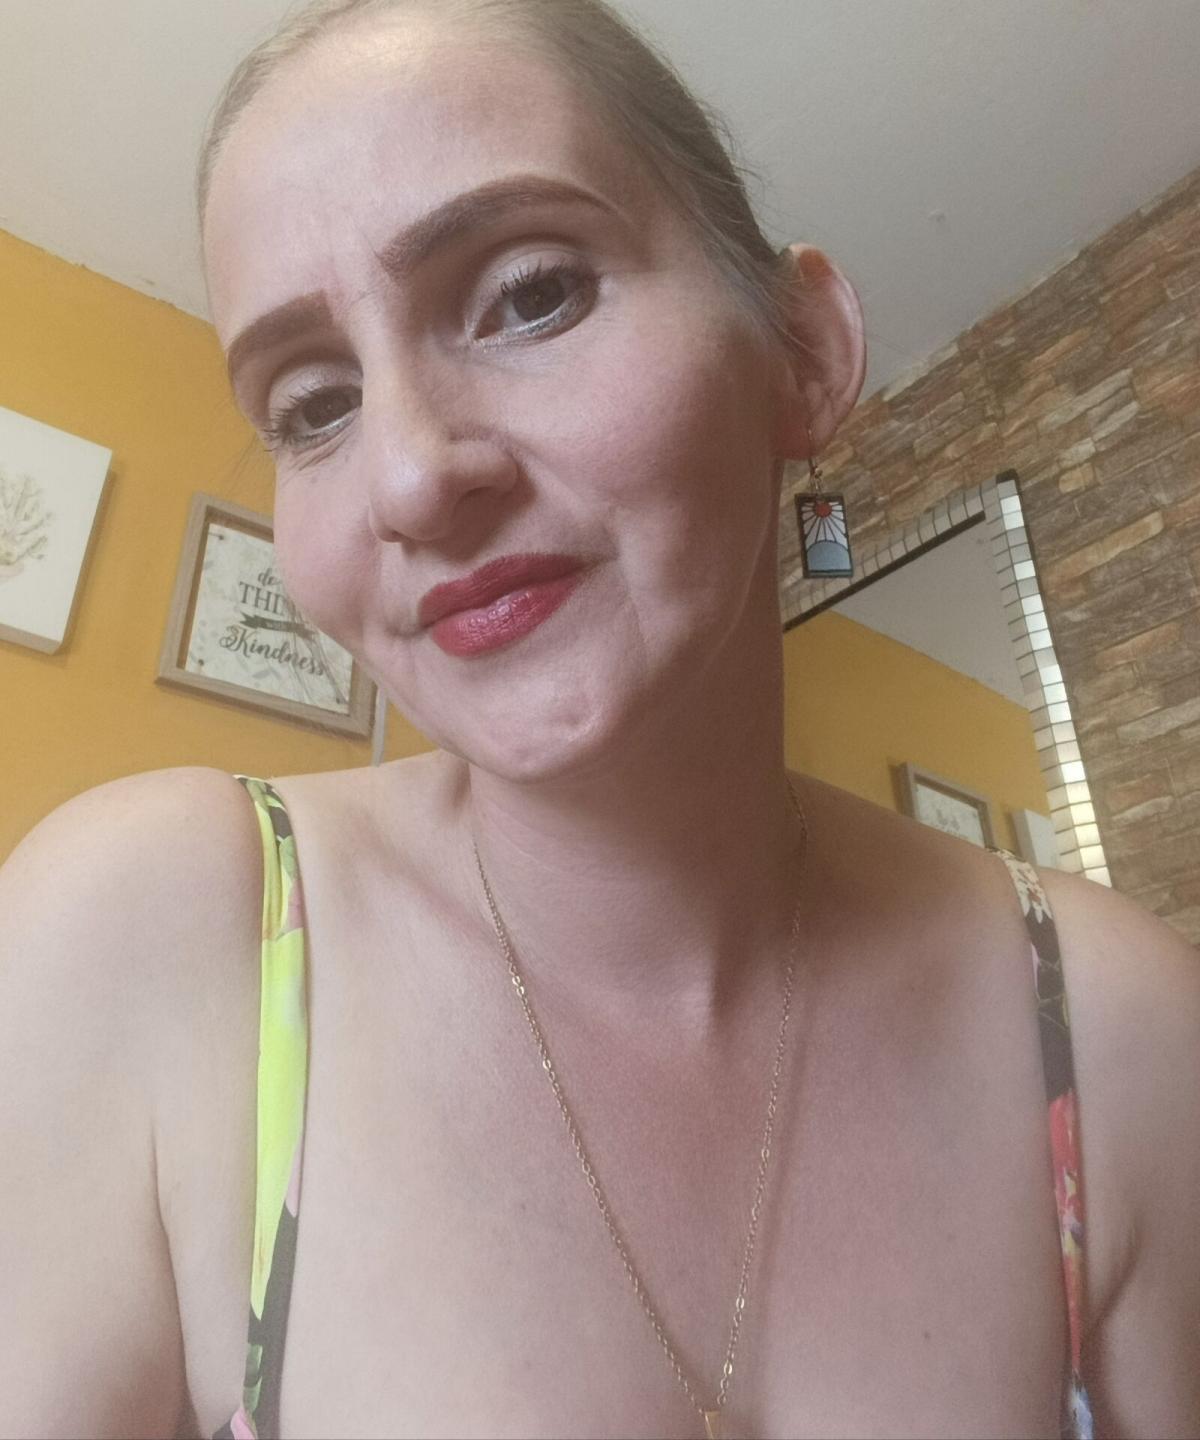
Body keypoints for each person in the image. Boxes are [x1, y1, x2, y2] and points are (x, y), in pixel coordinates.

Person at [2, 1, 1198, 1436]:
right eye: (314, 405)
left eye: (530, 294)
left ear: (804, 350)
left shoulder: (1118, 1032)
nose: (409, 478)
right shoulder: (150, 939)